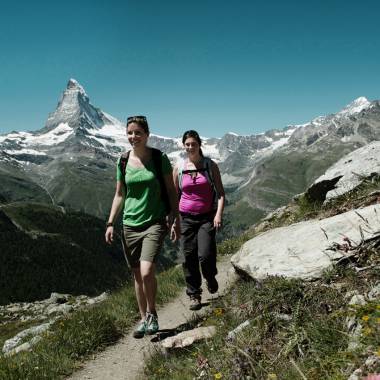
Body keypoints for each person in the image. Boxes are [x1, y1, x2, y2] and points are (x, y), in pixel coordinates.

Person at [105, 115, 180, 338]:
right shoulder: (123, 161)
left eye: (138, 132)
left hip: (154, 222)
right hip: (129, 224)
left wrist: (174, 217)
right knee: (137, 275)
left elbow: (170, 191)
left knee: (147, 272)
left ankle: (152, 313)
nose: (133, 137)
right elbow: (120, 194)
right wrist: (110, 222)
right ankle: (142, 319)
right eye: (130, 133)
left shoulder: (159, 158)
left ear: (147, 134)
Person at [173, 130, 225, 310]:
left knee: (205, 255)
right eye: (187, 144)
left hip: (206, 218)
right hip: (186, 218)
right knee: (188, 257)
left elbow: (221, 194)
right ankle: (194, 294)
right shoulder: (179, 168)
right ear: (183, 146)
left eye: (193, 144)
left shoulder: (210, 166)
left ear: (199, 145)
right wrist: (174, 221)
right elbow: (174, 196)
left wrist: (218, 214)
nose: (190, 147)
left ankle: (210, 277)